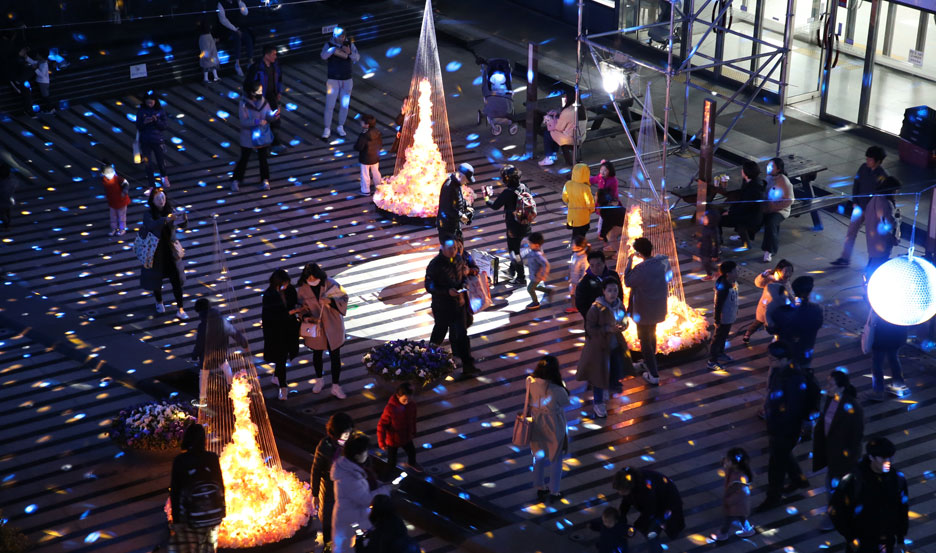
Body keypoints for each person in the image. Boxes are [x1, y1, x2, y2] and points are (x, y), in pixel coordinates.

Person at [756, 341, 811, 512]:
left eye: (773, 359)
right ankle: (798, 480)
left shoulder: (794, 379)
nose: (769, 361)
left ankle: (773, 497)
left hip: (785, 429)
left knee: (776, 465)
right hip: (777, 425)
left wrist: (778, 427)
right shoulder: (779, 371)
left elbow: (792, 409)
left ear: (785, 359)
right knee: (783, 455)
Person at [829, 437, 909, 553]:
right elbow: (836, 509)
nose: (888, 462)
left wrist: (900, 537)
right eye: (883, 458)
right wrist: (850, 537)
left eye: (890, 457)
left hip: (886, 540)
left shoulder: (897, 479)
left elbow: (902, 508)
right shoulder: (854, 480)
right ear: (871, 457)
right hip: (861, 540)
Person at [813, 369, 864, 532]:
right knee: (835, 486)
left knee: (835, 487)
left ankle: (834, 516)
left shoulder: (853, 408)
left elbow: (856, 437)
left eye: (831, 384)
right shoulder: (830, 398)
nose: (827, 387)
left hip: (843, 457)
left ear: (842, 388)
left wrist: (848, 458)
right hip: (831, 451)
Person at [330, 433, 393, 553]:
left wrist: (381, 486)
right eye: (365, 451)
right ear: (357, 455)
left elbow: (365, 486)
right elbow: (366, 499)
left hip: (354, 516)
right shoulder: (349, 478)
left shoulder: (351, 468)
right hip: (350, 519)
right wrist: (386, 490)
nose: (367, 454)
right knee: (346, 548)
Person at [577, 278, 631, 418]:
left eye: (615, 290)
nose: (613, 293)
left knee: (612, 371)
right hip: (599, 348)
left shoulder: (619, 305)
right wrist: (607, 329)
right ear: (603, 291)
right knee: (598, 376)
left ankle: (607, 388)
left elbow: (624, 319)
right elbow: (590, 328)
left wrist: (623, 325)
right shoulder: (596, 308)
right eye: (609, 290)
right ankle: (598, 403)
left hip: (614, 346)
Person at [425, 239, 478, 379]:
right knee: (439, 333)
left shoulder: (459, 259)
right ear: (442, 248)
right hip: (442, 306)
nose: (453, 251)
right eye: (450, 248)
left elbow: (462, 277)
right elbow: (429, 286)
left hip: (458, 305)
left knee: (462, 335)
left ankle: (468, 366)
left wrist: (465, 284)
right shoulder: (435, 264)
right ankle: (427, 362)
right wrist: (447, 291)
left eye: (455, 248)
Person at [168, 423, 225, 553]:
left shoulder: (180, 460)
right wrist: (222, 510)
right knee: (210, 546)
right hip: (213, 515)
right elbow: (220, 485)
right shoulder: (212, 457)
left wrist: (176, 520)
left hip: (192, 515)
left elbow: (175, 492)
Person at [297, 262, 349, 399]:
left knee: (335, 356)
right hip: (316, 326)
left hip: (333, 325)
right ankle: (319, 379)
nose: (312, 281)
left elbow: (344, 298)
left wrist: (331, 302)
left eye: (314, 278)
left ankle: (336, 386)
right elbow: (300, 307)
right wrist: (306, 317)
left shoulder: (330, 284)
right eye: (309, 279)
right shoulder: (303, 289)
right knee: (317, 353)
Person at [832, 146, 889, 267]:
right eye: (867, 158)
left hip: (871, 212)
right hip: (859, 207)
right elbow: (856, 183)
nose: (867, 161)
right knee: (851, 232)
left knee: (871, 237)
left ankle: (871, 262)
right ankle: (844, 258)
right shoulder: (863, 168)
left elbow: (882, 197)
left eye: (870, 159)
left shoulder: (882, 177)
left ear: (878, 161)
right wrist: (855, 200)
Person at [624, 237, 670, 386]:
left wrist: (630, 262)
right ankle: (650, 363)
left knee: (645, 340)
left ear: (638, 252)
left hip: (643, 310)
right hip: (658, 307)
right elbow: (669, 277)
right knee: (652, 335)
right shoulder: (661, 263)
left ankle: (653, 373)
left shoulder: (641, 269)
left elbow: (627, 281)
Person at [527, 355, 571, 502]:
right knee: (556, 458)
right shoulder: (557, 389)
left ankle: (540, 487)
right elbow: (566, 402)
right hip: (554, 424)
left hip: (536, 422)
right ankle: (554, 491)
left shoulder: (530, 381)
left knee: (538, 456)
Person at [612, 466, 685, 553]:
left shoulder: (645, 490)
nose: (619, 493)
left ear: (628, 488)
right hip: (657, 501)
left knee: (651, 532)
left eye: (621, 491)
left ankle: (656, 550)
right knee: (647, 529)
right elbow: (626, 500)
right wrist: (622, 516)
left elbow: (650, 511)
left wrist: (635, 527)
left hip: (666, 504)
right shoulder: (633, 481)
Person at [141, 188, 188, 319]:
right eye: (158, 198)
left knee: (176, 281)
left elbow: (180, 225)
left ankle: (180, 308)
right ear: (152, 201)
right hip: (156, 253)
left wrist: (183, 220)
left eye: (163, 197)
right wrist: (165, 220)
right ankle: (159, 301)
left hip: (171, 252)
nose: (161, 201)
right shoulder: (148, 214)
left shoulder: (170, 210)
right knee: (156, 280)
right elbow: (151, 226)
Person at [311, 412, 354, 553]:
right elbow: (316, 470)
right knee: (328, 519)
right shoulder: (324, 446)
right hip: (329, 487)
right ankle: (328, 547)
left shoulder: (351, 444)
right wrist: (315, 494)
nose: (347, 437)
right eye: (344, 434)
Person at [484, 164, 531, 285]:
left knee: (514, 252)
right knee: (516, 248)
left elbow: (494, 206)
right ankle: (511, 270)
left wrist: (486, 198)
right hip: (525, 223)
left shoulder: (508, 192)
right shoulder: (524, 187)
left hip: (513, 227)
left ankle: (521, 277)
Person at [230, 79, 276, 192]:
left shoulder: (264, 101)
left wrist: (272, 116)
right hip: (248, 136)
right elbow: (243, 121)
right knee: (244, 158)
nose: (260, 93)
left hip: (261, 136)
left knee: (263, 158)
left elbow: (268, 114)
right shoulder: (244, 103)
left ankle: (265, 180)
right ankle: (236, 180)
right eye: (258, 91)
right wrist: (256, 122)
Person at [262, 269, 300, 401]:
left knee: (282, 357)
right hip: (276, 332)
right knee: (281, 358)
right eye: (284, 284)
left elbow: (295, 301)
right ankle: (283, 387)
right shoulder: (269, 295)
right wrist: (291, 312)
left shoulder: (289, 290)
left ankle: (276, 377)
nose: (286, 286)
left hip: (289, 330)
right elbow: (270, 316)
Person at [772, 275, 823, 368]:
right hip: (804, 352)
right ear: (807, 293)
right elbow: (818, 325)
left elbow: (773, 329)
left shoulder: (781, 311)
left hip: (784, 353)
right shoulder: (816, 310)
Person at [320, 27, 359, 139]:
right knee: (330, 105)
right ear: (334, 36)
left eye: (343, 37)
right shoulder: (328, 44)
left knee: (344, 105)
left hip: (347, 79)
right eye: (339, 37)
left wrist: (349, 52)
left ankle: (340, 126)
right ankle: (327, 128)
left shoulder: (349, 44)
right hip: (333, 79)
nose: (341, 39)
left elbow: (357, 58)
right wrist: (332, 50)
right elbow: (323, 56)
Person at [742, 259, 794, 344]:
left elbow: (790, 293)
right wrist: (763, 276)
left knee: (777, 325)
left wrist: (794, 301)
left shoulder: (786, 282)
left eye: (790, 271)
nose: (788, 274)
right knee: (758, 322)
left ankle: (777, 340)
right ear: (779, 270)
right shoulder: (770, 278)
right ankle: (747, 334)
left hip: (778, 309)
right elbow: (758, 283)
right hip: (765, 308)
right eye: (786, 271)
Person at [378, 382, 423, 475]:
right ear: (398, 396)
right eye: (404, 400)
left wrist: (413, 431)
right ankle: (386, 476)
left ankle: (412, 463)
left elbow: (413, 420)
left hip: (406, 436)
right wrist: (381, 442)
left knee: (412, 452)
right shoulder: (390, 409)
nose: (407, 402)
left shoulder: (412, 405)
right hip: (393, 440)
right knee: (391, 461)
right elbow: (381, 425)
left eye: (409, 399)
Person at [862, 312, 909, 402]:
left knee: (877, 365)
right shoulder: (903, 306)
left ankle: (878, 391)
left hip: (881, 338)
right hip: (896, 338)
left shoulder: (882, 306)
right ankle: (898, 385)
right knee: (893, 359)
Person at [191, 298, 248, 371]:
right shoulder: (222, 321)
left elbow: (200, 343)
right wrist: (244, 343)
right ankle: (230, 381)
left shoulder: (203, 326)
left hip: (207, 355)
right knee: (224, 365)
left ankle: (203, 383)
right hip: (222, 351)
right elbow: (234, 332)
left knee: (204, 372)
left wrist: (194, 355)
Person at [245, 45, 283, 148]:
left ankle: (275, 142)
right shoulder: (256, 68)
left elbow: (279, 79)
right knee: (261, 121)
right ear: (266, 55)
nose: (275, 57)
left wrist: (279, 92)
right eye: (273, 54)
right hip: (260, 99)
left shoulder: (275, 66)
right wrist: (253, 97)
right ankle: (260, 144)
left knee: (275, 119)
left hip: (272, 97)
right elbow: (249, 84)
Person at [720, 160, 764, 249]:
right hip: (747, 214)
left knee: (716, 219)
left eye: (742, 169)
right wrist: (731, 210)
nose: (741, 171)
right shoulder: (749, 182)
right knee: (719, 212)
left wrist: (730, 212)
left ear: (746, 172)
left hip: (749, 218)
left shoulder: (754, 189)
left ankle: (718, 243)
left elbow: (745, 207)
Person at [714, 447, 755, 541]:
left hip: (736, 504)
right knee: (741, 516)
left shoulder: (740, 479)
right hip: (739, 504)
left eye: (728, 460)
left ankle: (723, 534)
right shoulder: (734, 469)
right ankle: (748, 529)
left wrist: (728, 502)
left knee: (728, 519)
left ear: (734, 464)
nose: (725, 461)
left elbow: (740, 495)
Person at [863, 175, 901, 279]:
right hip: (881, 241)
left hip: (873, 237)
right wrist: (897, 220)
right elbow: (889, 223)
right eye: (895, 191)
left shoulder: (874, 198)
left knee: (872, 262)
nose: (896, 193)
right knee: (877, 266)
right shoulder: (885, 203)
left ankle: (867, 282)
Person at [761, 157, 794, 263]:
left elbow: (790, 200)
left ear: (778, 169)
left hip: (780, 210)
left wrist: (774, 207)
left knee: (771, 223)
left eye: (771, 166)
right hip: (768, 207)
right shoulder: (769, 177)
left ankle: (769, 250)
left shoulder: (784, 181)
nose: (768, 167)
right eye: (768, 165)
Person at [136, 90, 171, 188]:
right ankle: (151, 184)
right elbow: (138, 126)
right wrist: (144, 122)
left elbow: (164, 126)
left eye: (151, 102)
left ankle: (164, 177)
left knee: (161, 161)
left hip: (157, 139)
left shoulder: (160, 111)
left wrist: (156, 121)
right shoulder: (141, 111)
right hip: (145, 140)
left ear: (155, 101)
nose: (150, 104)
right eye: (148, 103)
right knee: (148, 163)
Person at [707, 261, 738, 370]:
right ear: (728, 273)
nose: (737, 272)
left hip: (729, 316)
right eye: (735, 270)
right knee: (717, 338)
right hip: (723, 318)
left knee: (723, 337)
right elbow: (718, 305)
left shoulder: (731, 282)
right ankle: (712, 360)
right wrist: (717, 320)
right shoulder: (723, 287)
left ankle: (720, 353)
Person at [575, 250, 621, 321]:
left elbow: (620, 293)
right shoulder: (585, 283)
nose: (595, 268)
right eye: (592, 265)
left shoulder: (613, 275)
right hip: (596, 321)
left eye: (598, 265)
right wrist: (591, 317)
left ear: (604, 263)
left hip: (614, 318)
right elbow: (580, 304)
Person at [437, 163, 475, 244]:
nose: (467, 182)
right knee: (451, 253)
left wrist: (466, 206)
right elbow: (448, 208)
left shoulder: (457, 184)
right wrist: (462, 216)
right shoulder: (449, 186)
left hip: (454, 224)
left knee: (459, 248)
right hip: (447, 227)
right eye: (466, 179)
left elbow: (458, 199)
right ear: (460, 176)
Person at [538, 90, 575, 166]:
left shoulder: (567, 112)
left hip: (570, 136)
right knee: (554, 133)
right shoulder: (577, 108)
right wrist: (558, 112)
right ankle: (553, 154)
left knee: (548, 134)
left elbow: (559, 128)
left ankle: (549, 157)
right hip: (579, 134)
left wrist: (552, 118)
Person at [216, 0, 252, 77]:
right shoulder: (220, 4)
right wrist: (235, 29)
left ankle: (250, 62)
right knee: (237, 39)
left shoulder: (237, 2)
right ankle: (237, 64)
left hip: (239, 27)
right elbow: (223, 20)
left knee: (248, 38)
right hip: (228, 29)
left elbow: (245, 12)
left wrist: (240, 2)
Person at [561, 163, 595, 241]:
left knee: (575, 232)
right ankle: (578, 248)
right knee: (580, 235)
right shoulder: (585, 188)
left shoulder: (568, 184)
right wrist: (592, 209)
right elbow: (589, 202)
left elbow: (564, 197)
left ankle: (575, 247)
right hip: (582, 217)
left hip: (572, 215)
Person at [354, 114, 382, 195]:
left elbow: (359, 146)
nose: (361, 123)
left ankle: (365, 190)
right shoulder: (377, 132)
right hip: (375, 157)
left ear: (367, 124)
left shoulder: (364, 134)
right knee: (376, 172)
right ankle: (379, 187)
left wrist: (356, 148)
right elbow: (380, 144)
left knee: (365, 174)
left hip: (365, 157)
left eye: (362, 122)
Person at [100, 163, 130, 236]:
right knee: (113, 216)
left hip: (121, 201)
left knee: (121, 216)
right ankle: (114, 228)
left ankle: (122, 229)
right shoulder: (104, 180)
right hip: (112, 202)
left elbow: (126, 184)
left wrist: (124, 192)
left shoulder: (118, 179)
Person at [524, 231, 550, 310]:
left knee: (530, 288)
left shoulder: (538, 254)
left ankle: (535, 302)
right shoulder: (534, 250)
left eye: (530, 243)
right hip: (533, 274)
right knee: (534, 286)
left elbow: (546, 264)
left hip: (537, 276)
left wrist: (543, 275)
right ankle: (547, 290)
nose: (528, 244)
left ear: (536, 245)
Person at [25, 47, 53, 113]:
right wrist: (26, 57)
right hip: (42, 82)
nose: (36, 55)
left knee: (45, 96)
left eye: (38, 54)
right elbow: (34, 62)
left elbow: (42, 75)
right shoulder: (41, 62)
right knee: (44, 96)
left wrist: (35, 69)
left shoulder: (44, 64)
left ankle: (50, 108)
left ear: (41, 56)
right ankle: (48, 108)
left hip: (43, 83)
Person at [566, 235, 590, 314]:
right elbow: (572, 266)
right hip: (574, 281)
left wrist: (578, 283)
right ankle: (574, 307)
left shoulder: (584, 258)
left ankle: (578, 306)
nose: (572, 245)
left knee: (578, 295)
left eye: (574, 244)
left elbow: (584, 273)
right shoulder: (575, 255)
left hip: (578, 283)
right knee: (572, 294)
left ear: (579, 247)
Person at [698, 206, 721, 281]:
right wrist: (700, 241)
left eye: (705, 218)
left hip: (709, 251)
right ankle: (711, 273)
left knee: (707, 263)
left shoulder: (713, 231)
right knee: (705, 263)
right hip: (703, 249)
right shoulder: (705, 227)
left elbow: (716, 243)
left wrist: (715, 254)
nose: (703, 220)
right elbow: (702, 235)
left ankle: (714, 273)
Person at [0, 161, 14, 230]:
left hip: (4, 200)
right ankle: (7, 224)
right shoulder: (10, 181)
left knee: (3, 213)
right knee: (6, 211)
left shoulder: (6, 182)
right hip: (6, 200)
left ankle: (7, 223)